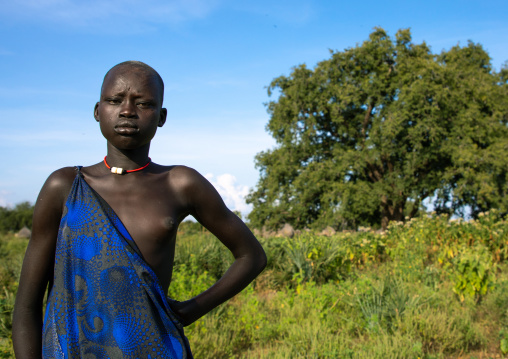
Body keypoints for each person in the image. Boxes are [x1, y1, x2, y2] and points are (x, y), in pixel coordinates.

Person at [12, 61, 267, 358]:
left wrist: (188, 311)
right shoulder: (65, 186)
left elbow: (252, 256)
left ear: (161, 117)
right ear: (97, 111)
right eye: (114, 100)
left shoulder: (180, 183)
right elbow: (27, 306)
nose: (127, 111)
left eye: (143, 103)